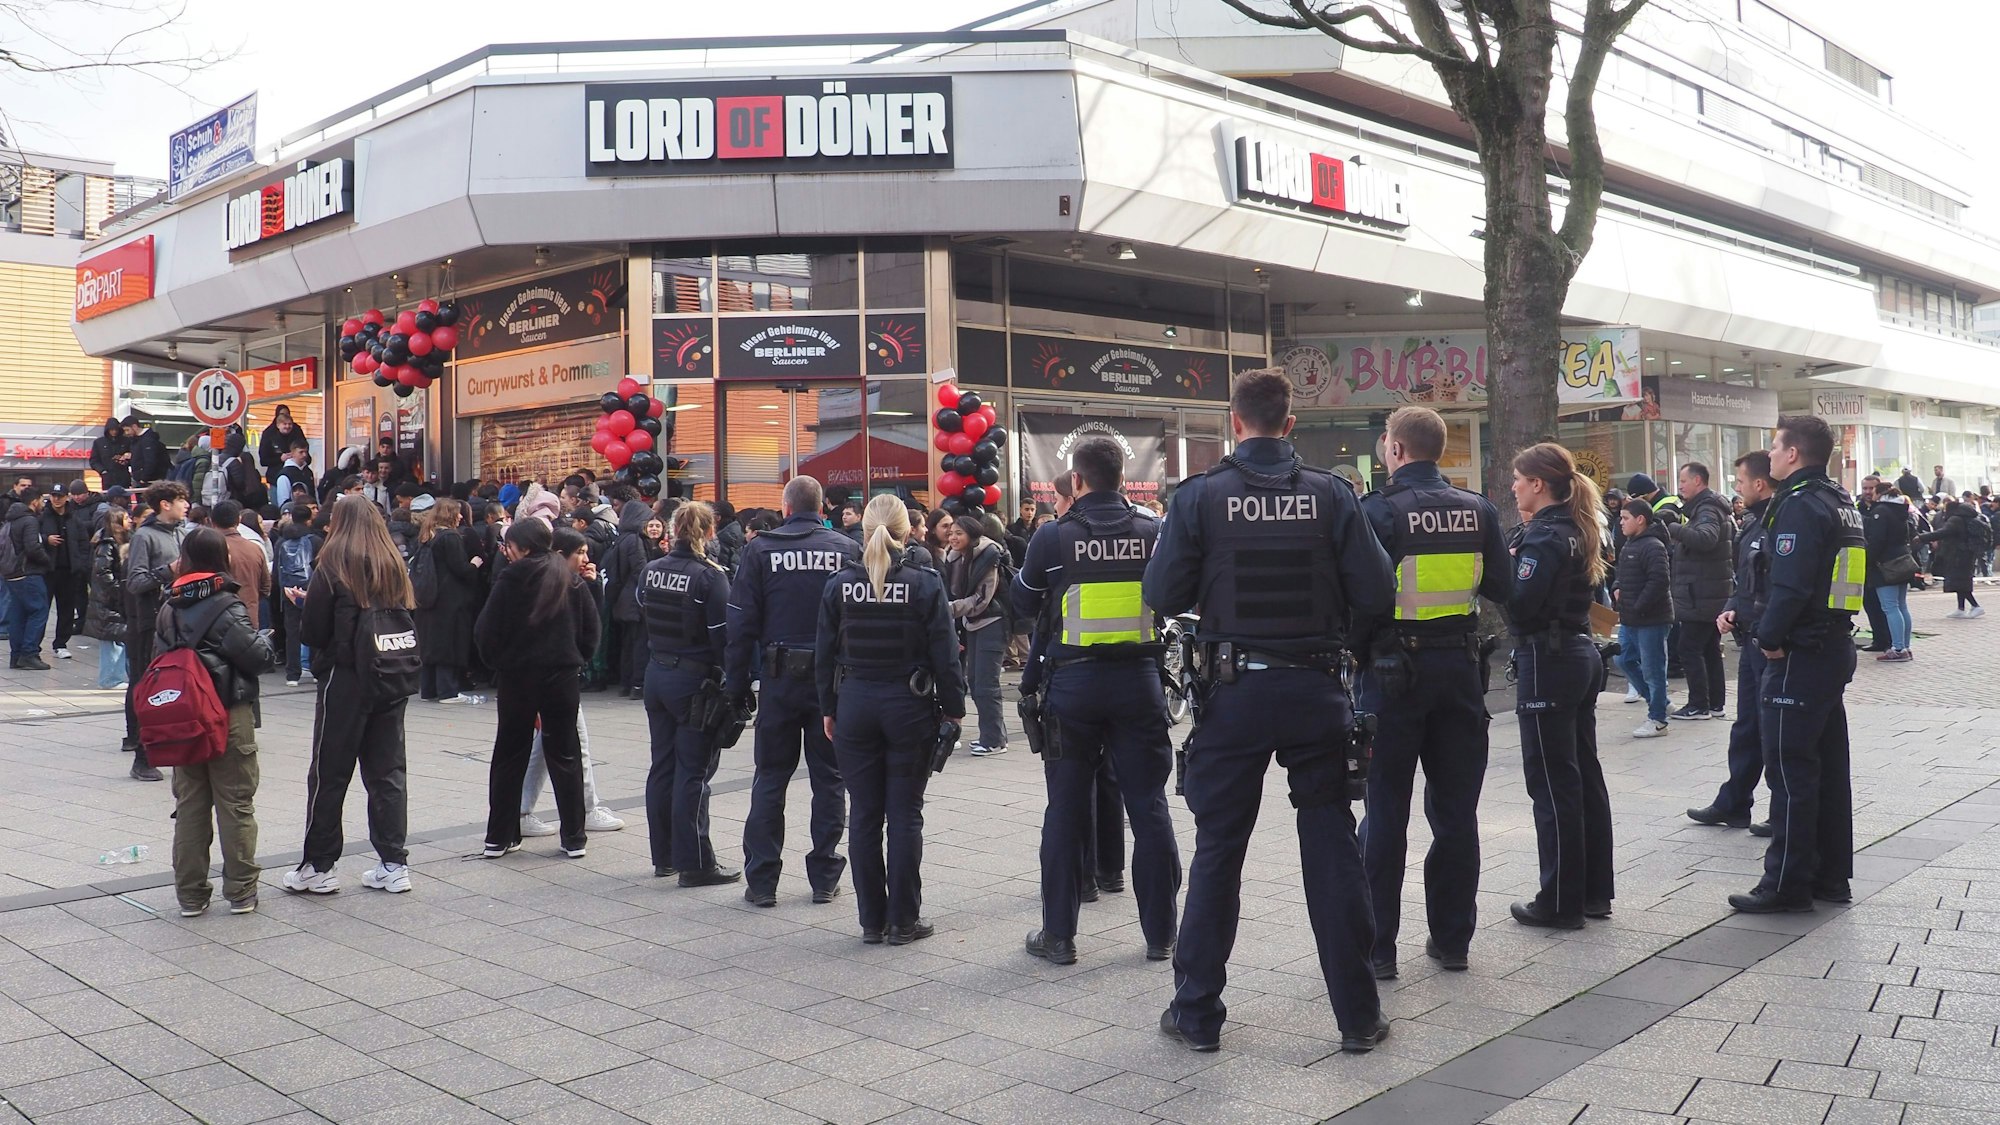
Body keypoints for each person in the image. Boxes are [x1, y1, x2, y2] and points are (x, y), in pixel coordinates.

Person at [1142, 368, 1397, 1055]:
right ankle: (1358, 1018)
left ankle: (1197, 1014)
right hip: (1316, 692)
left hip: (1234, 695)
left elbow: (1161, 591)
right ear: (1290, 425)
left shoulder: (1199, 497)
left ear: (1234, 421)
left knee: (1219, 851)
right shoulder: (1332, 495)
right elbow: (1377, 591)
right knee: (1332, 846)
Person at [1353, 406, 1511, 978]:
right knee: (1455, 813)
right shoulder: (1478, 509)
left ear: (1396, 449)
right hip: (1460, 672)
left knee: (1385, 813)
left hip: (1393, 677)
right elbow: (1501, 584)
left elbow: (1359, 598)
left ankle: (1378, 950)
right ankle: (1452, 942)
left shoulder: (1377, 511)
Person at [1011, 436, 1180, 967]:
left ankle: (1059, 936)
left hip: (1073, 690)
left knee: (1064, 809)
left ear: (1076, 482)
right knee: (1149, 808)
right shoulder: (1154, 532)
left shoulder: (1053, 538)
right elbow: (1177, 596)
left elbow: (1021, 600)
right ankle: (1162, 936)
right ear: (1123, 476)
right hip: (1138, 685)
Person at [816, 494, 964, 945]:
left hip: (855, 705)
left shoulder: (839, 584)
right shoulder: (924, 583)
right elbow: (945, 652)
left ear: (865, 530)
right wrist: (955, 710)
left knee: (863, 815)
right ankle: (904, 920)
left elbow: (824, 654)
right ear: (908, 531)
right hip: (908, 706)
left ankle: (870, 921)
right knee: (904, 815)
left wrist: (828, 708)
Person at [1730, 415, 1862, 914]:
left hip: (1802, 653)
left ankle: (1785, 885)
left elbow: (1790, 585)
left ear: (1793, 454)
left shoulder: (1800, 506)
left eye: (1775, 446)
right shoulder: (1840, 501)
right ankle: (1830, 877)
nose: (1770, 454)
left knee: (1790, 772)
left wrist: (1769, 638)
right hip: (1830, 646)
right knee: (1826, 769)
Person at [724, 476, 857, 907]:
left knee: (770, 778)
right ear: (823, 507)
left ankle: (762, 881)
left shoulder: (760, 550)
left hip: (780, 681)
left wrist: (737, 684)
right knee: (830, 779)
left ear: (785, 507)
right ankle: (824, 875)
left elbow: (741, 626)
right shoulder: (844, 549)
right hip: (831, 683)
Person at [278, 497, 420, 895]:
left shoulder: (334, 561)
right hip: (392, 672)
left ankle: (319, 866)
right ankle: (393, 862)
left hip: (347, 676)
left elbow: (313, 630)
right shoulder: (392, 560)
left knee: (330, 772)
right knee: (388, 771)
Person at [1506, 442, 1615, 930]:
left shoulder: (1544, 536)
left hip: (1548, 659)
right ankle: (1593, 892)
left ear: (1537, 484)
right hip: (1578, 653)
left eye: (1517, 479)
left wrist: (1508, 568)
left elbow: (1522, 606)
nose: (1512, 487)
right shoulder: (1577, 528)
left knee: (1553, 784)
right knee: (1582, 777)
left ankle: (1560, 901)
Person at [156, 527, 277, 917]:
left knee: (190, 805)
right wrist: (267, 640)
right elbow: (255, 657)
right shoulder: (227, 604)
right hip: (227, 711)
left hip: (184, 716)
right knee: (236, 802)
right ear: (221, 559)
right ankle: (241, 892)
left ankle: (190, 895)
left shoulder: (168, 607)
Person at [476, 518, 598, 859]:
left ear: (524, 547)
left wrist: (497, 663)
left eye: (509, 546)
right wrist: (577, 659)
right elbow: (591, 630)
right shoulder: (570, 578)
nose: (507, 552)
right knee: (566, 752)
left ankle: (500, 836)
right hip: (562, 675)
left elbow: (486, 630)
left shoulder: (510, 579)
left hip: (518, 676)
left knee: (509, 753)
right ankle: (574, 837)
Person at [638, 502, 739, 885]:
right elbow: (722, 638)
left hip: (657, 674)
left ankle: (664, 857)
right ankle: (696, 863)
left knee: (662, 766)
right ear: (710, 532)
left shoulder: (651, 570)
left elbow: (642, 611)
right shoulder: (710, 577)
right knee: (693, 772)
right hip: (693, 682)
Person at [1690, 451, 1781, 833]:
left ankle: (1782, 812)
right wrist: (1732, 609)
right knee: (1747, 726)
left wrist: (1772, 633)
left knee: (1774, 731)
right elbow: (1746, 581)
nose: (1737, 489)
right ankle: (1734, 802)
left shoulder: (1778, 523)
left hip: (1772, 644)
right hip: (1751, 639)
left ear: (1759, 484)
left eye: (1741, 482)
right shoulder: (1751, 526)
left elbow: (1783, 586)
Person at [518, 527, 625, 837]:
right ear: (561, 555)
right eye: (580, 553)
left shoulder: (567, 582)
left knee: (544, 745)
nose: (586, 559)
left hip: (547, 678)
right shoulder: (554, 585)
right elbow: (586, 630)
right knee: (575, 743)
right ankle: (585, 808)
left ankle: (522, 809)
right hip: (553, 679)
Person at [125, 482, 192, 780]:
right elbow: (136, 582)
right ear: (165, 504)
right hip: (149, 622)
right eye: (181, 500)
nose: (186, 505)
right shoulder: (144, 536)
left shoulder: (183, 532)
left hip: (178, 621)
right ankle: (142, 754)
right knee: (144, 685)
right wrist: (169, 571)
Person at [1663, 463, 1735, 720]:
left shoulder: (1707, 509)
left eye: (1683, 480)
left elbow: (1706, 539)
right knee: (1709, 649)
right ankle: (1714, 703)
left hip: (1702, 594)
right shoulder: (1708, 507)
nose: (1680, 485)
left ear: (1698, 481)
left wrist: (1672, 529)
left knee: (1689, 648)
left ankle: (1698, 705)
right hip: (1708, 592)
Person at [943, 515, 1009, 756]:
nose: (953, 537)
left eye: (959, 533)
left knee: (986, 683)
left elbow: (982, 598)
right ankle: (992, 735)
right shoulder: (955, 558)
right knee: (975, 680)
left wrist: (951, 608)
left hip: (993, 623)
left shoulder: (988, 556)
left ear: (972, 535)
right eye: (951, 533)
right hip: (972, 624)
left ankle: (994, 740)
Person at [415, 496, 484, 704]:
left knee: (431, 643)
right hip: (450, 599)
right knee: (449, 642)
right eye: (458, 512)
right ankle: (448, 691)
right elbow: (461, 569)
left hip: (429, 598)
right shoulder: (451, 538)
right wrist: (474, 564)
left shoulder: (428, 537)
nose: (461, 516)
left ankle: (429, 689)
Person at [1615, 499, 1673, 737]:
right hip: (1629, 617)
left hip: (1651, 619)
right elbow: (1622, 573)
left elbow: (1659, 581)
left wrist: (1638, 605)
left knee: (1653, 668)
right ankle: (1658, 701)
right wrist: (1616, 586)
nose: (1621, 523)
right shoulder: (1630, 544)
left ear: (1640, 520)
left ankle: (1658, 719)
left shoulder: (1653, 545)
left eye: (1625, 518)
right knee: (1623, 659)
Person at [603, 499, 664, 699]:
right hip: (635, 600)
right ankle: (638, 684)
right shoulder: (635, 540)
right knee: (639, 643)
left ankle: (627, 682)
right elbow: (641, 570)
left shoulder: (622, 538)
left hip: (624, 599)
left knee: (629, 642)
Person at [1861, 477, 1915, 659]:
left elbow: (1877, 540)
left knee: (1890, 607)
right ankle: (1905, 646)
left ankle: (1898, 648)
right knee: (1901, 606)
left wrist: (1867, 559)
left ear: (1879, 493)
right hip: (1902, 561)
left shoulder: (1881, 511)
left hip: (1886, 565)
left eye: (1873, 491)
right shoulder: (1900, 510)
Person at [5, 488, 55, 669]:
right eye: (42, 500)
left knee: (18, 614)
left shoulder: (10, 521)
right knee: (39, 610)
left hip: (12, 574)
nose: (43, 504)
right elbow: (33, 547)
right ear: (34, 501)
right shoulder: (30, 520)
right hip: (29, 573)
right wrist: (48, 562)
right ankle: (30, 653)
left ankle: (16, 656)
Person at [274, 504, 322, 686]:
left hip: (287, 592)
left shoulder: (281, 540)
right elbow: (320, 567)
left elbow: (277, 569)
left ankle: (292, 673)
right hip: (309, 590)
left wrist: (284, 588)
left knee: (292, 632)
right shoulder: (315, 540)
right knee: (315, 628)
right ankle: (316, 669)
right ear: (309, 520)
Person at [84, 507, 132, 690]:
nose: (130, 521)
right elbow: (103, 572)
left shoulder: (121, 541)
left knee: (118, 638)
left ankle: (118, 676)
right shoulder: (106, 543)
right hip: (108, 601)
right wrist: (118, 590)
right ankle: (111, 678)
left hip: (113, 599)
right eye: (126, 518)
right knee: (112, 640)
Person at [1917, 496, 1984, 618]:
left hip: (1958, 555)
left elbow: (1943, 532)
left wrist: (1922, 537)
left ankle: (1975, 606)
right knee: (1960, 581)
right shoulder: (1965, 518)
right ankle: (1961, 608)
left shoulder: (1955, 519)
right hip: (1965, 554)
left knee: (1960, 582)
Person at [208, 502, 271, 630]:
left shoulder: (207, 549)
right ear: (239, 520)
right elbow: (265, 587)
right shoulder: (255, 548)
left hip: (216, 623)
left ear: (211, 521)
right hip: (249, 619)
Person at [42, 485, 83, 660]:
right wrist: (46, 539)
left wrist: (81, 564)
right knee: (41, 608)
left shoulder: (74, 518)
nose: (56, 499)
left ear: (67, 497)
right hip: (47, 570)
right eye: (54, 495)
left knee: (66, 609)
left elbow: (83, 542)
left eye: (60, 496)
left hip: (69, 570)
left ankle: (61, 644)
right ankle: (34, 644)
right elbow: (32, 538)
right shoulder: (42, 517)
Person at [258, 406, 304, 488]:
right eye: (284, 423)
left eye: (289, 424)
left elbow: (306, 453)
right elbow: (263, 460)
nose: (287, 426)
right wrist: (280, 458)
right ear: (278, 424)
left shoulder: (296, 431)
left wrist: (297, 455)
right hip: (275, 478)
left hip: (297, 478)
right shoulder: (269, 434)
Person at [88, 419, 132, 489]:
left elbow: (134, 457)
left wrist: (126, 461)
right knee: (108, 498)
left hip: (123, 478)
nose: (114, 432)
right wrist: (102, 471)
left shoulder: (126, 441)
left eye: (116, 430)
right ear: (107, 430)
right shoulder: (99, 443)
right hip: (108, 479)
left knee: (124, 498)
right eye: (112, 430)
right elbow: (94, 461)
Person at [272, 441, 316, 509]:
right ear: (292, 453)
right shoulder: (285, 474)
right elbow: (283, 500)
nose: (304, 455)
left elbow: (314, 493)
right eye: (301, 452)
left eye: (306, 452)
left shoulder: (308, 472)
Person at [128, 417, 169, 486]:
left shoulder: (147, 440)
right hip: (141, 478)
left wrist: (144, 478)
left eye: (127, 430)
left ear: (134, 426)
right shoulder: (136, 441)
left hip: (149, 480)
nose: (127, 433)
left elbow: (150, 460)